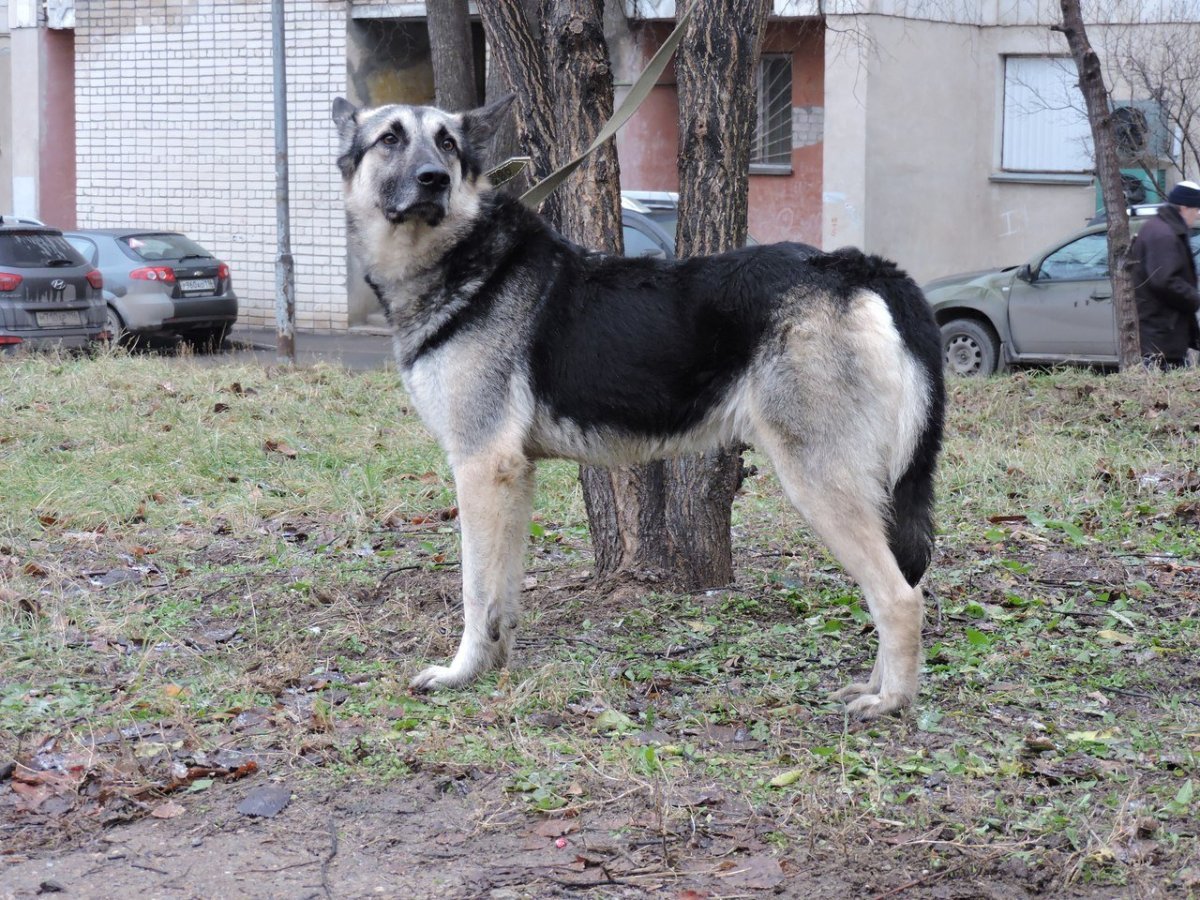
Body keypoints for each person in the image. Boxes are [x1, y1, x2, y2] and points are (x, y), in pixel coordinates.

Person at [1129, 180, 1200, 369]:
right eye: (1196, 209)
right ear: (1184, 208)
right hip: (1161, 331)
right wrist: (1194, 298)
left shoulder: (1161, 229)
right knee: (1164, 381)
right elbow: (1164, 280)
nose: (1197, 214)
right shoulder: (1164, 235)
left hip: (1163, 330)